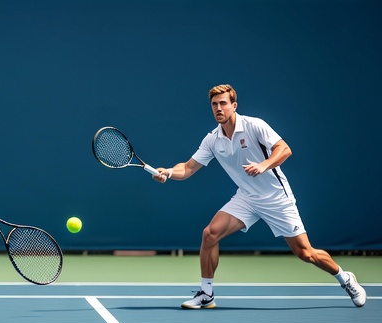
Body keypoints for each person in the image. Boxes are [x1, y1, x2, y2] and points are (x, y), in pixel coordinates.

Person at [153, 84, 365, 310]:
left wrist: (263, 165)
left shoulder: (254, 125)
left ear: (234, 106)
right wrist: (168, 172)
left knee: (305, 253)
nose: (218, 108)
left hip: (276, 198)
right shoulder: (212, 140)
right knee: (210, 234)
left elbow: (284, 149)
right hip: (247, 197)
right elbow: (187, 168)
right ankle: (206, 294)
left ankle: (345, 278)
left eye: (223, 103)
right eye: (214, 104)